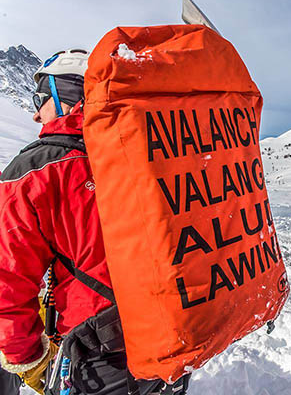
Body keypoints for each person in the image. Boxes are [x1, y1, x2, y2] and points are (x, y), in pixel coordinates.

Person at [0, 49, 190, 395]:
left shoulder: (34, 171)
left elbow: (6, 280)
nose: (34, 113)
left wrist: (26, 356)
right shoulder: (151, 154)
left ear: (64, 97)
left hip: (95, 354)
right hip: (171, 339)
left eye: (40, 99)